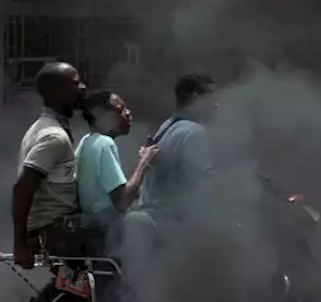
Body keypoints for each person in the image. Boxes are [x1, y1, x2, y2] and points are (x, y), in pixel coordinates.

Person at [11, 62, 88, 268]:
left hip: (53, 226)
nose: (83, 88)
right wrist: (19, 245)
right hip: (53, 229)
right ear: (57, 92)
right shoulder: (54, 137)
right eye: (76, 83)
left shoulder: (46, 127)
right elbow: (22, 187)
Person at [134, 73, 218, 221]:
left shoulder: (166, 127)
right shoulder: (195, 133)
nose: (216, 105)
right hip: (167, 227)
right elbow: (203, 189)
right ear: (195, 98)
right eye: (212, 99)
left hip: (147, 217)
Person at [75, 90, 158, 229]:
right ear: (99, 115)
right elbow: (122, 201)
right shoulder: (104, 144)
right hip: (105, 229)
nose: (128, 113)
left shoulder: (87, 140)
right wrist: (144, 162)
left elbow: (117, 191)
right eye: (119, 110)